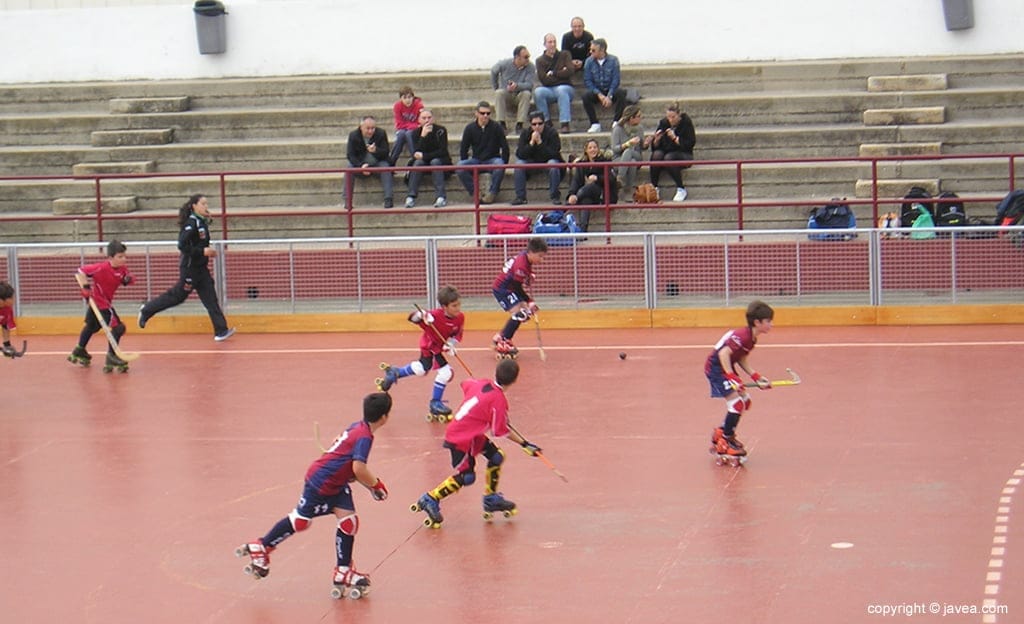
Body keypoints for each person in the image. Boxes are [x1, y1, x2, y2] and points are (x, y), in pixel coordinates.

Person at [236, 393, 392, 598]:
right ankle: (262, 547)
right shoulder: (364, 437)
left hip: (336, 483)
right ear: (384, 417)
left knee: (349, 522)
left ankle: (343, 571)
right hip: (321, 482)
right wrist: (376, 485)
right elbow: (359, 468)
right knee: (301, 521)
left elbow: (346, 457)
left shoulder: (358, 426)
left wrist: (358, 479)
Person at [411, 359, 541, 528]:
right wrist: (525, 444)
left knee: (496, 457)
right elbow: (500, 431)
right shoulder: (499, 401)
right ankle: (430, 498)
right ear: (515, 380)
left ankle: (491, 499)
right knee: (467, 477)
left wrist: (478, 388)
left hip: (472, 435)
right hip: (459, 438)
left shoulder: (482, 383)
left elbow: (465, 384)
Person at [138, 194, 236, 342]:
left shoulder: (202, 222)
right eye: (203, 204)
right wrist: (202, 251)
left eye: (206, 204)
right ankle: (147, 310)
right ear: (194, 206)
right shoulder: (191, 223)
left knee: (210, 298)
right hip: (190, 269)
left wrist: (208, 251)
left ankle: (220, 330)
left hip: (201, 269)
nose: (206, 207)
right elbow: (182, 245)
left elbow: (200, 242)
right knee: (178, 296)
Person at [377, 285, 465, 422]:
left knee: (421, 370)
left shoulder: (460, 318)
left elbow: (457, 333)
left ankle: (396, 372)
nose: (458, 308)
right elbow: (412, 318)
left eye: (459, 304)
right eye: (454, 306)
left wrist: (451, 344)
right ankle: (435, 403)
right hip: (429, 346)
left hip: (438, 347)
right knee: (446, 372)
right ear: (444, 306)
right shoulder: (434, 316)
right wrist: (421, 315)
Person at [704, 300, 774, 460]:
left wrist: (755, 376)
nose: (772, 324)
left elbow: (741, 357)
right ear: (757, 322)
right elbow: (723, 354)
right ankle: (726, 440)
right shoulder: (742, 336)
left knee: (745, 400)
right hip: (716, 368)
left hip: (725, 368)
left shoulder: (752, 338)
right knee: (736, 404)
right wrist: (731, 376)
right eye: (768, 321)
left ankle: (722, 431)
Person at [68, 240, 134, 371]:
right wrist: (86, 287)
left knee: (92, 326)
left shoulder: (122, 269)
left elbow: (127, 277)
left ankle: (79, 349)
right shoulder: (101, 268)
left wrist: (128, 279)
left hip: (104, 301)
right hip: (100, 302)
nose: (123, 259)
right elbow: (80, 271)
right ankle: (112, 356)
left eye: (124, 256)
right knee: (118, 328)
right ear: (110, 258)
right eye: (120, 257)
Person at [490, 237, 547, 358]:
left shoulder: (525, 257)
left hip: (509, 288)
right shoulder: (521, 265)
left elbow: (520, 277)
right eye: (540, 256)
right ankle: (504, 340)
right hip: (503, 289)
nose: (542, 260)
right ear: (531, 252)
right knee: (520, 313)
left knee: (525, 313)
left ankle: (501, 336)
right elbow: (517, 287)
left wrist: (528, 276)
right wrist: (529, 301)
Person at [456, 101, 510, 205]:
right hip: (476, 160)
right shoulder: (470, 128)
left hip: (492, 159)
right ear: (476, 113)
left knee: (500, 164)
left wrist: (505, 163)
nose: (485, 116)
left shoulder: (496, 127)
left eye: (488, 113)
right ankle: (475, 193)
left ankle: (492, 193)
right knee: (460, 166)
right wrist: (465, 161)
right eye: (482, 113)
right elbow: (464, 148)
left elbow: (505, 147)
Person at [512, 111, 564, 206]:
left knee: (553, 164)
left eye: (540, 123)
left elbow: (554, 154)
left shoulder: (552, 133)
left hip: (547, 161)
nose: (537, 126)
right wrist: (531, 143)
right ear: (530, 125)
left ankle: (555, 196)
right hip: (531, 162)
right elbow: (520, 154)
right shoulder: (525, 133)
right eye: (534, 124)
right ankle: (520, 197)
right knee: (519, 164)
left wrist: (540, 143)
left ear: (544, 123)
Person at [566, 138, 617, 232]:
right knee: (586, 201)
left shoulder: (604, 161)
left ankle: (569, 204)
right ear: (586, 150)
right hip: (588, 195)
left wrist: (598, 178)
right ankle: (582, 232)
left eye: (595, 147)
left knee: (591, 187)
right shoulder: (582, 164)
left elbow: (612, 179)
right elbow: (576, 181)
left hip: (603, 194)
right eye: (590, 148)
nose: (593, 149)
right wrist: (571, 193)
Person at [404, 108, 452, 209]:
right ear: (419, 120)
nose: (427, 120)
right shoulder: (415, 133)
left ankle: (440, 197)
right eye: (424, 118)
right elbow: (416, 153)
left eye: (429, 118)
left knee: (435, 162)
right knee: (418, 163)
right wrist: (423, 136)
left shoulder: (441, 131)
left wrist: (425, 156)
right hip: (424, 162)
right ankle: (411, 196)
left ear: (433, 119)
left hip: (440, 162)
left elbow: (442, 151)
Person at [650, 101, 696, 202]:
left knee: (669, 158)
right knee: (656, 155)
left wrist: (675, 138)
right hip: (666, 151)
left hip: (683, 153)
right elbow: (656, 146)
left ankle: (681, 188)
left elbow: (690, 143)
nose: (670, 120)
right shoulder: (663, 123)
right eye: (668, 117)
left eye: (673, 117)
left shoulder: (686, 123)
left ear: (678, 115)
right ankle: (654, 187)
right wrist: (656, 140)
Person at [346, 116, 395, 209]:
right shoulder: (353, 135)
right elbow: (350, 155)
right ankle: (347, 200)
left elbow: (385, 152)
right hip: (360, 164)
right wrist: (361, 166)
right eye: (367, 128)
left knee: (385, 167)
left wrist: (376, 150)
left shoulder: (381, 133)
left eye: (373, 128)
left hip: (377, 163)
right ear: (361, 127)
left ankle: (388, 198)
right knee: (349, 168)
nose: (370, 131)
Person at [582, 38, 627, 133]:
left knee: (621, 93)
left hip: (610, 89)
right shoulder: (589, 62)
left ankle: (616, 121)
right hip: (597, 91)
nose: (591, 52)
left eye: (593, 50)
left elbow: (616, 80)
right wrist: (600, 95)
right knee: (585, 96)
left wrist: (609, 95)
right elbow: (588, 81)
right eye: (590, 50)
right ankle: (594, 123)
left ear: (602, 50)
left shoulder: (613, 60)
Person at [534, 33, 575, 134]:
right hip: (549, 89)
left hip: (566, 88)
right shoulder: (540, 60)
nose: (552, 44)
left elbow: (570, 71)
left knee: (561, 90)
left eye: (554, 42)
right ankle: (547, 122)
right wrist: (561, 73)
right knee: (538, 92)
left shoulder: (565, 54)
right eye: (550, 42)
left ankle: (565, 123)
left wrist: (553, 73)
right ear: (545, 44)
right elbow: (544, 79)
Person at [490, 45, 536, 134]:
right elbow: (493, 71)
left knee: (526, 94)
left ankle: (520, 124)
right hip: (507, 93)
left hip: (519, 94)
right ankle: (501, 123)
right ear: (517, 58)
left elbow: (529, 85)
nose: (528, 59)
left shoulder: (530, 67)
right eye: (526, 57)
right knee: (499, 93)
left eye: (529, 56)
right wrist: (496, 87)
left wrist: (517, 86)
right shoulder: (504, 64)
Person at [610, 104, 651, 197]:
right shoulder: (618, 129)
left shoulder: (639, 128)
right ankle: (628, 189)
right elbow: (615, 149)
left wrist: (646, 144)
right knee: (631, 161)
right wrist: (628, 144)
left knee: (630, 153)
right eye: (638, 116)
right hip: (618, 158)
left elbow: (641, 147)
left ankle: (620, 177)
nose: (640, 118)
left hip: (637, 155)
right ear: (631, 118)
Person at [388, 86, 424, 166]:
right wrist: (410, 126)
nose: (407, 100)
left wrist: (409, 126)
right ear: (401, 98)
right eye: (404, 98)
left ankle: (415, 158)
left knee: (408, 134)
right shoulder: (397, 106)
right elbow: (399, 124)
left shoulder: (419, 106)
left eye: (409, 97)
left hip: (414, 130)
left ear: (413, 97)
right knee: (401, 135)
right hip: (403, 129)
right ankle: (392, 162)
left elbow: (421, 122)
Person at [0, 281, 19, 358]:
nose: (14, 300)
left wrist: (7, 345)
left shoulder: (7, 309)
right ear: (1, 300)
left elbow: (5, 325)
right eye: (11, 298)